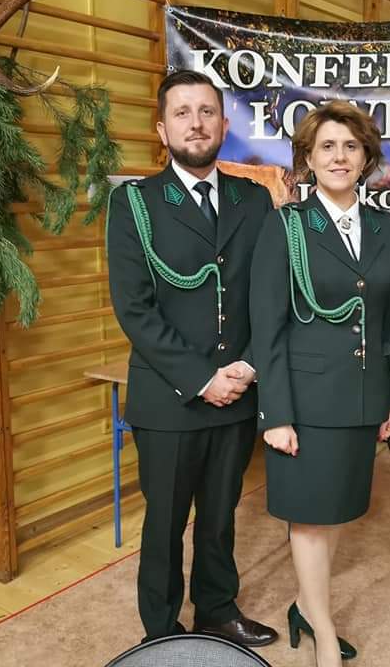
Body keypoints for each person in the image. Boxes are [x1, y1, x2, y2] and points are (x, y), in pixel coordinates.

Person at [106, 69, 277, 647]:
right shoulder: (135, 203)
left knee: (222, 514)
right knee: (165, 523)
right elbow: (135, 309)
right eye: (182, 113)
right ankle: (160, 631)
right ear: (162, 129)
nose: (196, 123)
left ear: (224, 125)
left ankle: (217, 609)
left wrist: (247, 366)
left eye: (206, 112)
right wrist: (203, 378)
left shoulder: (254, 201)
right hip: (171, 398)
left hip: (239, 388)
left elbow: (269, 295)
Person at [250, 100, 390, 667]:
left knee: (337, 510)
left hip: (363, 396)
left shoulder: (384, 227)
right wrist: (275, 413)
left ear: (366, 158)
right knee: (311, 518)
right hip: (306, 400)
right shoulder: (286, 225)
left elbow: (389, 321)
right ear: (308, 159)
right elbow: (267, 326)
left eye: (351, 146)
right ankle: (323, 631)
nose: (340, 157)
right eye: (327, 147)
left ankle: (303, 606)